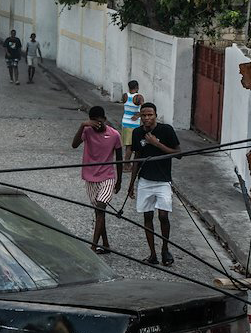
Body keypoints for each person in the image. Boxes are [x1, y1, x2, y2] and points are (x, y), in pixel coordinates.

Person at [125, 102, 181, 266]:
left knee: (163, 216)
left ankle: (165, 249)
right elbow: (137, 158)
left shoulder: (166, 130)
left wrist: (157, 144)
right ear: (140, 117)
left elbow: (179, 154)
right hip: (145, 181)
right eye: (144, 115)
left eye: (150, 115)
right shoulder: (137, 133)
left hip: (163, 180)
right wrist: (131, 183)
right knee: (147, 216)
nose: (147, 118)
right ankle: (153, 254)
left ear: (156, 115)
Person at [71, 105, 122, 253]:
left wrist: (119, 181)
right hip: (90, 176)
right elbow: (74, 145)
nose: (96, 125)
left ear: (105, 120)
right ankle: (105, 244)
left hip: (107, 177)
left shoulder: (114, 135)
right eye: (93, 121)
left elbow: (119, 159)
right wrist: (82, 125)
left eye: (99, 121)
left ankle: (93, 247)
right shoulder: (86, 131)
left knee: (101, 207)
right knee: (99, 212)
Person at [120, 80, 142, 149]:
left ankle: (127, 159)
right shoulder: (139, 97)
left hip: (125, 121)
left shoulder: (125, 95)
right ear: (137, 87)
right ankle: (129, 159)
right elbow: (144, 108)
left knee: (127, 145)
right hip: (134, 123)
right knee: (133, 146)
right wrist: (138, 115)